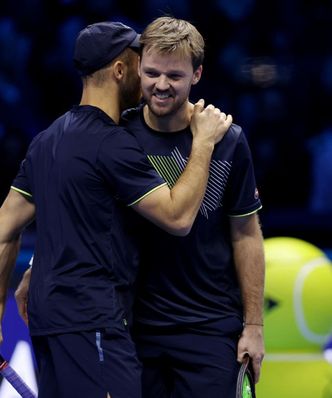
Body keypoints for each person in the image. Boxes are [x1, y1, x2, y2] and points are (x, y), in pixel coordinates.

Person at [0, 21, 232, 398]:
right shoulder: (112, 144)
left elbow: (5, 226)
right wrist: (203, 143)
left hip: (48, 323)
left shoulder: (46, 140)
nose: (147, 77)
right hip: (93, 323)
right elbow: (177, 217)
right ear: (121, 70)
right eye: (140, 63)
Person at [121, 16, 265, 398]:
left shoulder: (229, 140)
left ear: (197, 74)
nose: (161, 85)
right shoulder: (118, 136)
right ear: (138, 69)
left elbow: (246, 234)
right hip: (134, 329)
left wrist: (254, 327)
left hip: (211, 329)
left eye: (175, 76)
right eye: (151, 73)